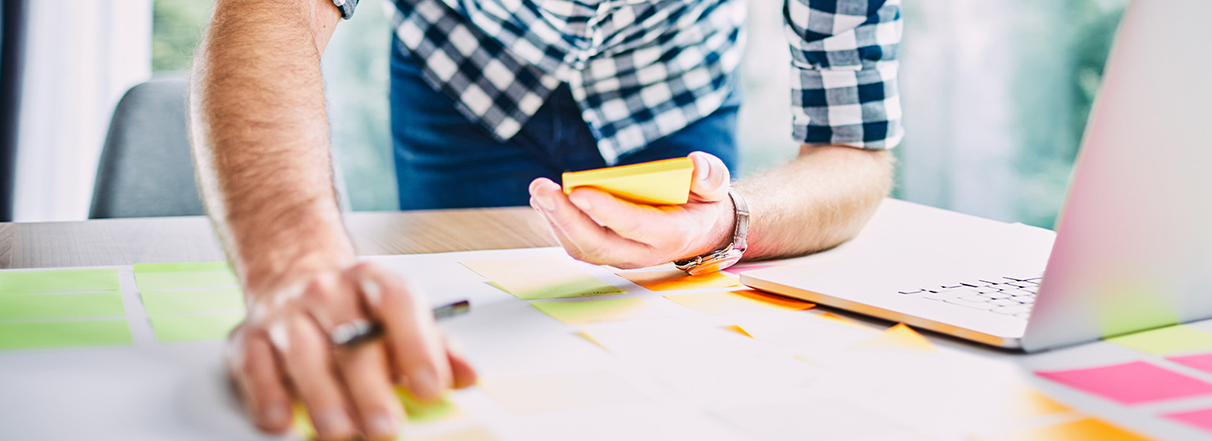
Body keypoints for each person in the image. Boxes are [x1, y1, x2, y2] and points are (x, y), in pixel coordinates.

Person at [189, 0, 900, 439]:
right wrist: (294, 263)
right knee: (456, 357)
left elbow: (852, 151)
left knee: (676, 375)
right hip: (463, 71)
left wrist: (732, 218)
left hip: (673, 88)